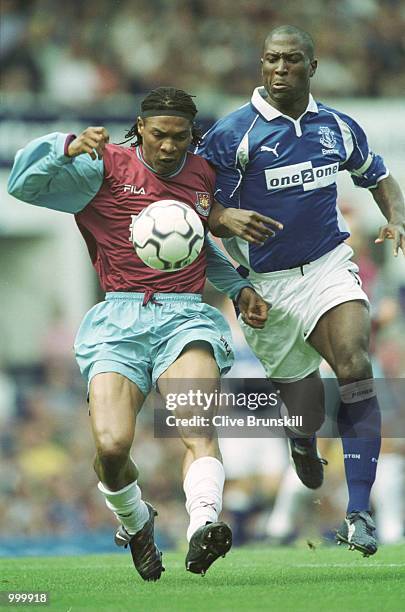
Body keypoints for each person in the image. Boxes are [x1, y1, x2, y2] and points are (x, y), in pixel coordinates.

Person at [7, 87, 269, 580]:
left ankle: (203, 527)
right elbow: (20, 184)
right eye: (160, 136)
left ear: (193, 136)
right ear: (141, 128)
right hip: (119, 318)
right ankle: (137, 521)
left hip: (185, 317)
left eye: (180, 138)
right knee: (110, 448)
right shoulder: (101, 167)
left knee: (195, 427)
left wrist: (238, 288)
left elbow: (194, 245)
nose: (170, 147)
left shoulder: (202, 177)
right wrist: (63, 146)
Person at [196, 25, 405, 557]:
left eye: (291, 59)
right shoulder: (230, 135)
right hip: (266, 285)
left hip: (329, 265)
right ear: (261, 65)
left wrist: (397, 219)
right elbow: (193, 206)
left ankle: (359, 512)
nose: (280, 68)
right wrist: (224, 217)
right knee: (306, 403)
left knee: (356, 367)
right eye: (271, 59)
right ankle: (302, 437)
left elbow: (376, 175)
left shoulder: (336, 126)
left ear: (311, 67)